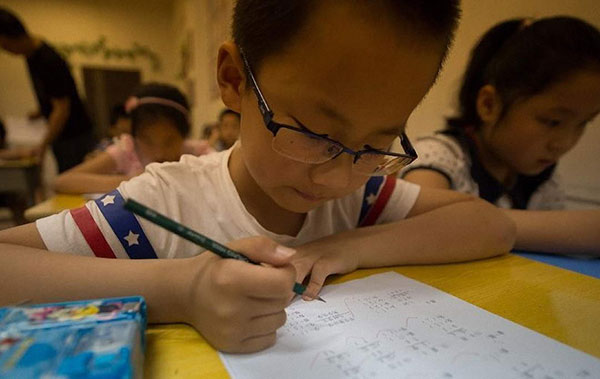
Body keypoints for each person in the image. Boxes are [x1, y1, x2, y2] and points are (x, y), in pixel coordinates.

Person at [0, 0, 516, 354]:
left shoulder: (360, 196)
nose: (338, 177)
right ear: (233, 80)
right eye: (313, 132)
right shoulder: (166, 197)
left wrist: (350, 248)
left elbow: (490, 225)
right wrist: (181, 289)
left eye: (377, 144)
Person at [401, 17, 600, 255]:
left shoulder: (544, 181)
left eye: (583, 124)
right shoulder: (439, 156)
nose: (565, 143)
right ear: (489, 105)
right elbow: (423, 223)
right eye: (552, 122)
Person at [53, 83, 213, 194]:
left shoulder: (196, 154)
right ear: (134, 136)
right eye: (148, 141)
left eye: (169, 141)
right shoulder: (127, 151)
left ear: (184, 135)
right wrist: (131, 181)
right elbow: (63, 182)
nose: (159, 153)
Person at [0, 7, 96, 172]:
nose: (5, 50)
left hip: (73, 136)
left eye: (3, 44)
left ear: (10, 38)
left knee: (72, 179)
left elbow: (62, 108)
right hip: (66, 136)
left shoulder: (47, 60)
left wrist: (43, 145)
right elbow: (55, 96)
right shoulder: (31, 56)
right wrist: (41, 111)